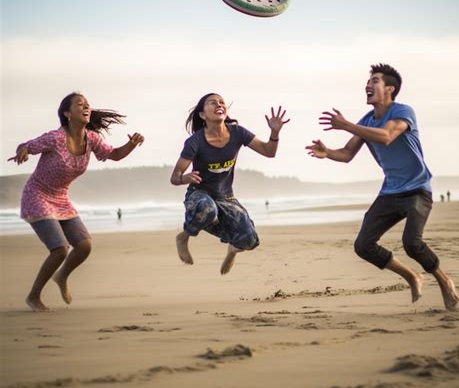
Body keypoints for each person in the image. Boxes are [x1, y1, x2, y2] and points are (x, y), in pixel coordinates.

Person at [306, 64, 459, 310]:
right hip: (390, 192)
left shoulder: (402, 112)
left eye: (374, 81)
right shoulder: (366, 121)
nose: (368, 85)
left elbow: (386, 136)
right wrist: (328, 153)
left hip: (418, 189)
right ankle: (411, 276)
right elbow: (346, 154)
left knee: (412, 243)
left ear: (390, 88)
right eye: (368, 82)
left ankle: (444, 281)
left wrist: (346, 125)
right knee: (363, 246)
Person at [8, 93, 145, 312]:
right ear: (67, 113)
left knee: (84, 246)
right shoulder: (55, 138)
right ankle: (33, 297)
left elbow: (115, 154)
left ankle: (61, 276)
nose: (86, 107)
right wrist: (22, 151)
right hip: (37, 195)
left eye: (88, 105)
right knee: (60, 249)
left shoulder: (91, 139)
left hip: (61, 198)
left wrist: (132, 143)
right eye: (80, 105)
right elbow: (26, 145)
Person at [170, 93, 289, 274]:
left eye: (222, 102)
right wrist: (184, 178)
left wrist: (274, 133)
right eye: (212, 103)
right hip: (199, 195)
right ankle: (184, 236)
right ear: (203, 115)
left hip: (226, 197)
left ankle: (233, 249)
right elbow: (175, 177)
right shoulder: (195, 142)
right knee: (207, 209)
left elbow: (268, 151)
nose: (219, 105)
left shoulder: (238, 133)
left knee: (250, 240)